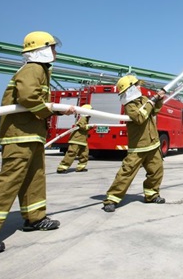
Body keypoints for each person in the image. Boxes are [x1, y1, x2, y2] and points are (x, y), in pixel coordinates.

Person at [0, 31, 75, 256]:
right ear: (41, 49)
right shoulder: (33, 69)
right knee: (9, 179)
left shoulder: (42, 71)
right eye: (52, 47)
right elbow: (28, 96)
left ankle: (34, 218)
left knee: (35, 177)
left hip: (31, 134)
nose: (55, 52)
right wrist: (50, 110)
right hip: (19, 134)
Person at [102, 75, 166, 213]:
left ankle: (152, 194)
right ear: (130, 88)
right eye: (136, 85)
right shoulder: (129, 105)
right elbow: (139, 117)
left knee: (156, 171)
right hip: (138, 146)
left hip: (153, 143)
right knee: (126, 172)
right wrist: (152, 100)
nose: (139, 87)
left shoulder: (143, 99)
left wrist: (159, 101)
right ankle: (112, 199)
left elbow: (154, 112)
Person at [56, 104, 92, 173]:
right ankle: (62, 168)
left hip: (82, 140)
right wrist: (90, 127)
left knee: (84, 154)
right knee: (72, 153)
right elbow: (82, 127)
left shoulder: (85, 118)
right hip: (76, 140)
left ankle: (81, 167)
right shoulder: (83, 118)